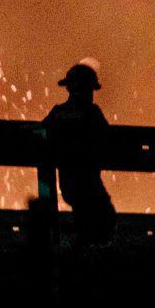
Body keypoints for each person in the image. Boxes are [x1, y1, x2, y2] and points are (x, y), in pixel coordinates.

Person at [44, 61, 116, 244]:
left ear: (68, 88)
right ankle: (87, 250)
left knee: (85, 214)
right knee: (104, 218)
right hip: (89, 182)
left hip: (68, 184)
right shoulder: (92, 114)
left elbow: (40, 132)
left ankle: (82, 246)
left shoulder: (58, 113)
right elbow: (108, 140)